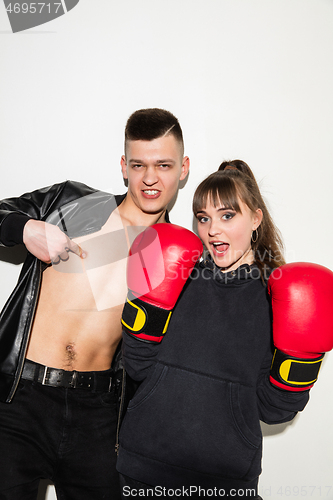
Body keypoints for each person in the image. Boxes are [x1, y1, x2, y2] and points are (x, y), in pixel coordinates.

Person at [0, 108, 190, 500]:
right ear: (123, 166)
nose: (150, 178)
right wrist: (25, 228)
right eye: (138, 165)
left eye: (163, 165)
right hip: (20, 398)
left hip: (99, 412)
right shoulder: (73, 203)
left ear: (183, 168)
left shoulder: (178, 254)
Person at [116, 162, 332, 498]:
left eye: (227, 216)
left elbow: (274, 409)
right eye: (204, 218)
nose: (212, 229)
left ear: (256, 219)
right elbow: (139, 366)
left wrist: (301, 362)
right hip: (144, 470)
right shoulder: (178, 277)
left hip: (225, 481)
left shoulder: (277, 297)